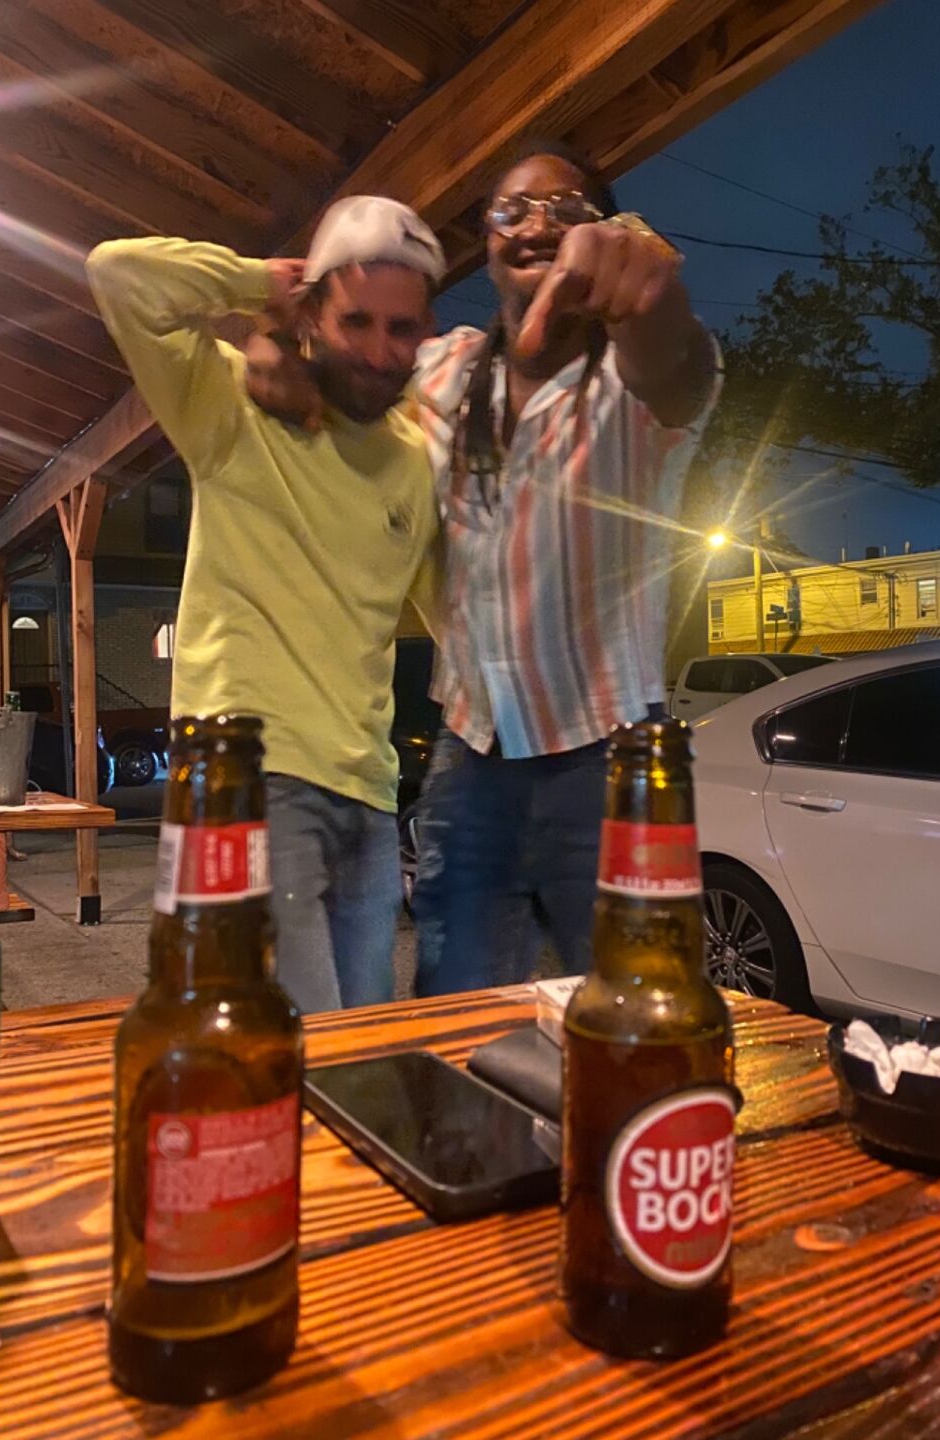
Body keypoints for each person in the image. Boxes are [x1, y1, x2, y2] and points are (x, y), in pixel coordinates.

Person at [246, 143, 722, 996]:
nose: (537, 224)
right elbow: (351, 361)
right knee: (454, 1013)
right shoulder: (445, 370)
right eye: (512, 210)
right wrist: (274, 342)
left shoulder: (633, 387)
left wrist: (649, 290)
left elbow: (673, 358)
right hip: (471, 755)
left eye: (566, 209)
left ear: (604, 230)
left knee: (641, 1007)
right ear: (489, 239)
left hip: (609, 759)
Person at [86, 198, 446, 1013]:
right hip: (244, 781)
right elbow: (118, 275)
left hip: (369, 790)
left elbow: (446, 612)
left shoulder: (416, 457)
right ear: (312, 312)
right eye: (356, 321)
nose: (379, 352)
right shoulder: (232, 404)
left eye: (401, 329)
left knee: (357, 1044)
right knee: (280, 1037)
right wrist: (257, 286)